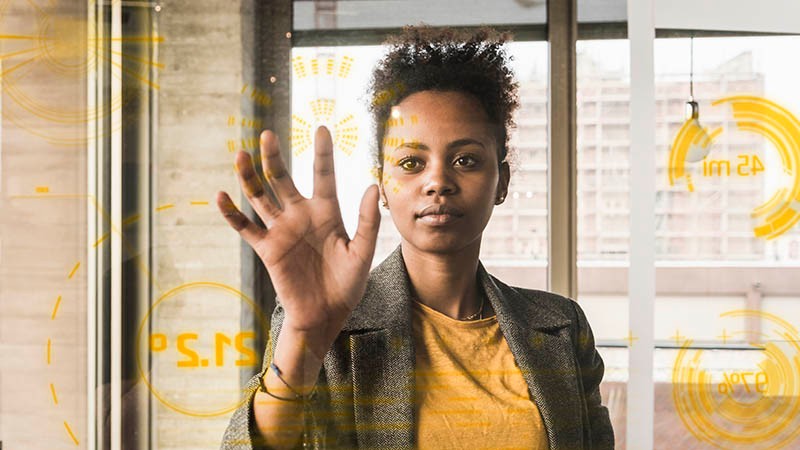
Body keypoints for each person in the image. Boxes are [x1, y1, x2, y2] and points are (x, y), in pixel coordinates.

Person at [217, 25, 614, 450]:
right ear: (383, 186)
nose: (437, 181)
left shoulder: (562, 327)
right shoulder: (327, 322)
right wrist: (302, 339)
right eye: (410, 162)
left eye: (466, 159)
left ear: (502, 182)